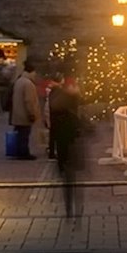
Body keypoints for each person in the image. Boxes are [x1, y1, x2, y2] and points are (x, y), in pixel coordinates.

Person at [49, 75, 84, 218]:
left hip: (63, 140)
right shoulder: (71, 104)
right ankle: (74, 210)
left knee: (68, 177)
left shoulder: (56, 99)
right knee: (72, 181)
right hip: (71, 143)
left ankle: (70, 209)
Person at [8, 61, 41, 159]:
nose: (35, 75)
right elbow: (29, 101)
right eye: (35, 72)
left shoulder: (19, 81)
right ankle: (24, 153)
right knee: (24, 135)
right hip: (24, 115)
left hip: (17, 113)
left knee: (20, 134)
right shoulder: (28, 84)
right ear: (31, 72)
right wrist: (32, 114)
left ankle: (19, 152)